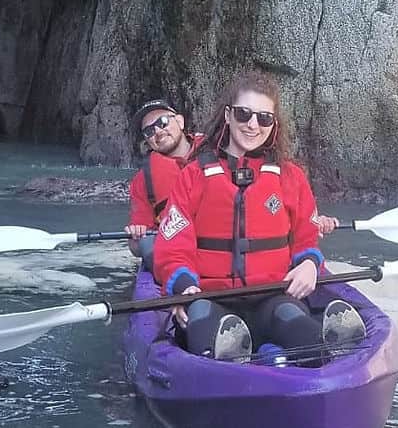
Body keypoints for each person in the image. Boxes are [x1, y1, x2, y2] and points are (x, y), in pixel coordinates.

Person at [153, 71, 366, 363]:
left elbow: (306, 236)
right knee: (202, 324)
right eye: (244, 114)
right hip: (210, 299)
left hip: (273, 296)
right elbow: (173, 246)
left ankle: (302, 351)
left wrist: (309, 264)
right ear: (228, 115)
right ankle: (260, 357)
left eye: (264, 118)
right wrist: (182, 288)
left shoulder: (290, 177)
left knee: (302, 331)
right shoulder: (193, 176)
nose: (253, 125)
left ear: (273, 124)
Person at [124, 99, 202, 268]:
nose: (158, 132)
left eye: (163, 122)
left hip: (220, 241)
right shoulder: (142, 180)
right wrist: (136, 235)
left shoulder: (216, 150)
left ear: (180, 122)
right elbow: (136, 247)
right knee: (146, 244)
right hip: (177, 251)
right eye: (149, 131)